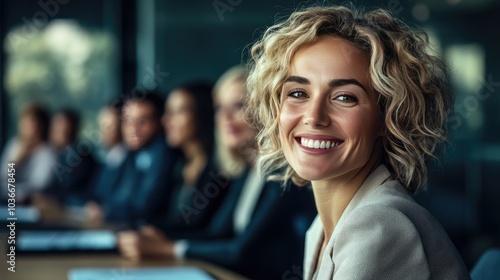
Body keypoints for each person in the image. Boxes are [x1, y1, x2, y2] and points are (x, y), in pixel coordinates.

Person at [245, 5, 469, 280]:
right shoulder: (324, 226)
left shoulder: (380, 225)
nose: (314, 117)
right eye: (298, 92)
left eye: (344, 97)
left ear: (387, 118)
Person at [118, 67, 316, 280]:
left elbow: (240, 252)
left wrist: (167, 248)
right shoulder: (246, 171)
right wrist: (158, 237)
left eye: (239, 105)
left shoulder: (283, 173)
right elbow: (217, 234)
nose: (226, 117)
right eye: (220, 108)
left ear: (267, 109)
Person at [95, 92, 174, 223]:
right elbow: (113, 196)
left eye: (142, 121)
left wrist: (106, 212)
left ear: (159, 122)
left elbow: (144, 207)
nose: (133, 129)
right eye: (127, 121)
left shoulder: (164, 155)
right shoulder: (132, 154)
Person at [0, 104, 55, 204]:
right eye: (26, 123)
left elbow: (41, 184)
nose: (30, 127)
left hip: (30, 201)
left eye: (34, 123)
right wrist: (18, 160)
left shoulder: (47, 152)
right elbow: (4, 176)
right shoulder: (14, 145)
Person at [85, 101, 127, 223]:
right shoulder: (108, 160)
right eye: (101, 125)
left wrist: (104, 211)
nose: (102, 131)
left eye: (108, 126)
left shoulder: (128, 161)